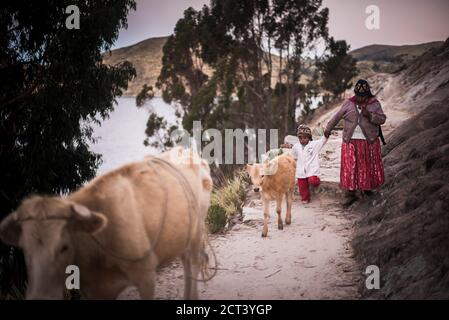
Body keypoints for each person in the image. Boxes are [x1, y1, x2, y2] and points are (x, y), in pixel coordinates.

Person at [324, 79, 386, 207]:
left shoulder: (374, 104)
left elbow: (382, 119)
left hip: (369, 142)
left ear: (368, 94)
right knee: (351, 168)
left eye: (363, 96)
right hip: (350, 141)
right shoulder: (349, 103)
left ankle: (367, 189)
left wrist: (369, 115)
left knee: (367, 166)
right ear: (355, 94)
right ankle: (351, 194)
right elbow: (337, 116)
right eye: (358, 96)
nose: (361, 98)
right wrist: (328, 129)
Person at [284, 125, 328, 204]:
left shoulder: (314, 145)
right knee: (302, 185)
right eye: (300, 138)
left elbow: (322, 141)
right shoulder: (296, 147)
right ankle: (305, 198)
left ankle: (317, 180)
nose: (303, 140)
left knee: (313, 181)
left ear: (309, 137)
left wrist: (326, 134)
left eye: (305, 138)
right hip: (301, 170)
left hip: (312, 169)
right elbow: (293, 156)